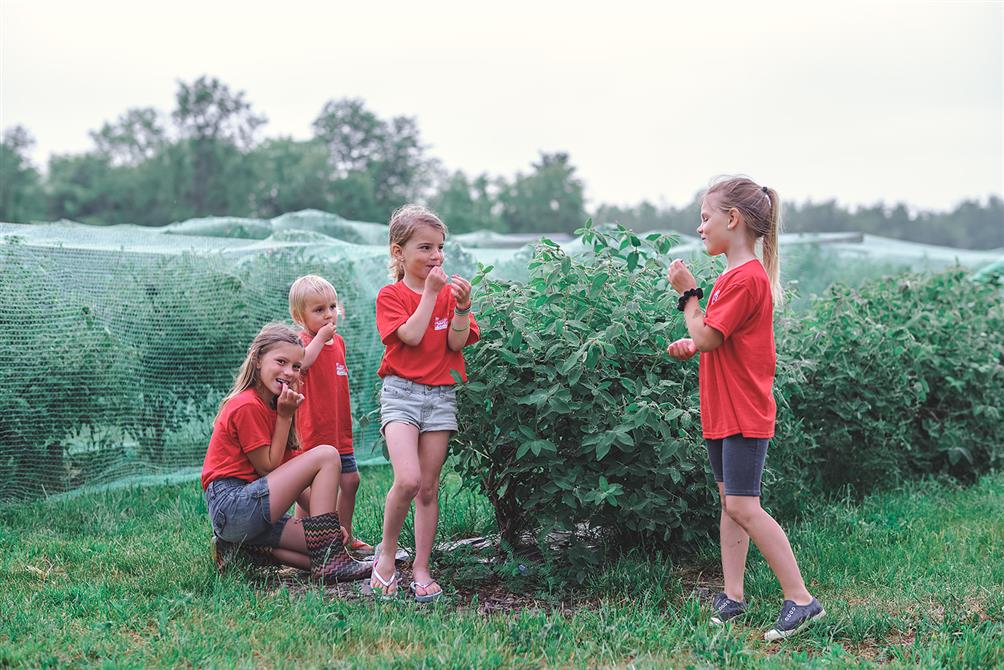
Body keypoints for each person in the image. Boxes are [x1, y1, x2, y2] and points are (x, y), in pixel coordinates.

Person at [666, 177, 824, 641]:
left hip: (744, 412)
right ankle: (733, 596)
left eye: (705, 217)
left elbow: (710, 333)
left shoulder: (744, 278)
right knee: (730, 504)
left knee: (744, 505)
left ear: (731, 220)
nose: (700, 228)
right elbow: (715, 338)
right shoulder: (735, 278)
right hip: (723, 409)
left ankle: (801, 600)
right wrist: (692, 344)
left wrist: (687, 294)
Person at [201, 322, 370, 582]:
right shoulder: (245, 405)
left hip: (250, 516)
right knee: (327, 454)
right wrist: (284, 417)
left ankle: (244, 550)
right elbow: (267, 468)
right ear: (257, 360)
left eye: (296, 367)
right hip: (234, 506)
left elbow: (297, 485)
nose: (289, 372)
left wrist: (328, 530)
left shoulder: (274, 406)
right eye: (280, 361)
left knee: (317, 554)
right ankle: (331, 561)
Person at [369, 204, 480, 601]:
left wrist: (463, 307)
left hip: (440, 396)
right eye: (425, 248)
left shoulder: (448, 296)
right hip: (401, 393)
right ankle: (385, 557)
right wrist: (432, 295)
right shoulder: (391, 295)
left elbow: (455, 341)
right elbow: (412, 337)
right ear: (399, 253)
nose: (436, 257)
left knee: (428, 488)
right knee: (408, 479)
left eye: (440, 248)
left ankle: (420, 567)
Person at [287, 274, 374, 556]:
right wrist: (320, 338)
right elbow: (303, 364)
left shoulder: (339, 343)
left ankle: (343, 538)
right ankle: (300, 541)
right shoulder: (300, 343)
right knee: (308, 492)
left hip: (340, 432)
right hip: (314, 433)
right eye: (319, 310)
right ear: (300, 316)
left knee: (351, 481)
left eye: (332, 307)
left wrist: (327, 338)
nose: (328, 315)